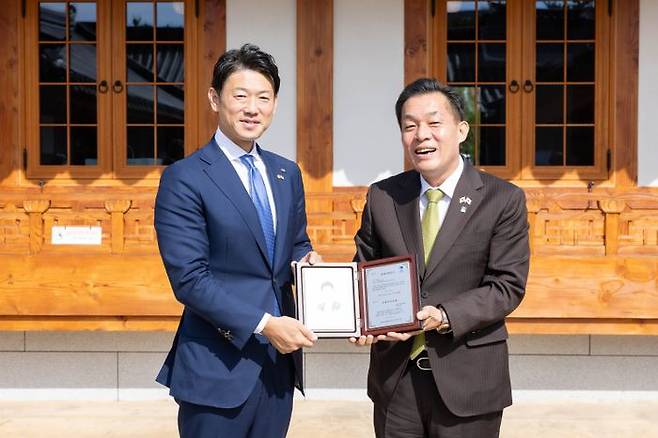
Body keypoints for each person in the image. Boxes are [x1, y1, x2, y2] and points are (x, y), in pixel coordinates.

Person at [154, 43, 320, 438]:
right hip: (217, 366)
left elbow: (294, 244)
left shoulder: (286, 172)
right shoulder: (185, 177)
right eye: (240, 95)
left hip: (278, 366)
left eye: (263, 97)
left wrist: (309, 263)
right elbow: (190, 279)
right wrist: (264, 324)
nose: (252, 108)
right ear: (215, 98)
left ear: (275, 104)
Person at [351, 78, 530, 437]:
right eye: (409, 125)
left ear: (461, 130)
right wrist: (358, 318)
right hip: (396, 380)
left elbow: (507, 286)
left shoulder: (502, 199)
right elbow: (364, 271)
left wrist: (446, 315)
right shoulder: (384, 197)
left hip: (468, 378)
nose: (421, 135)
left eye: (434, 123)